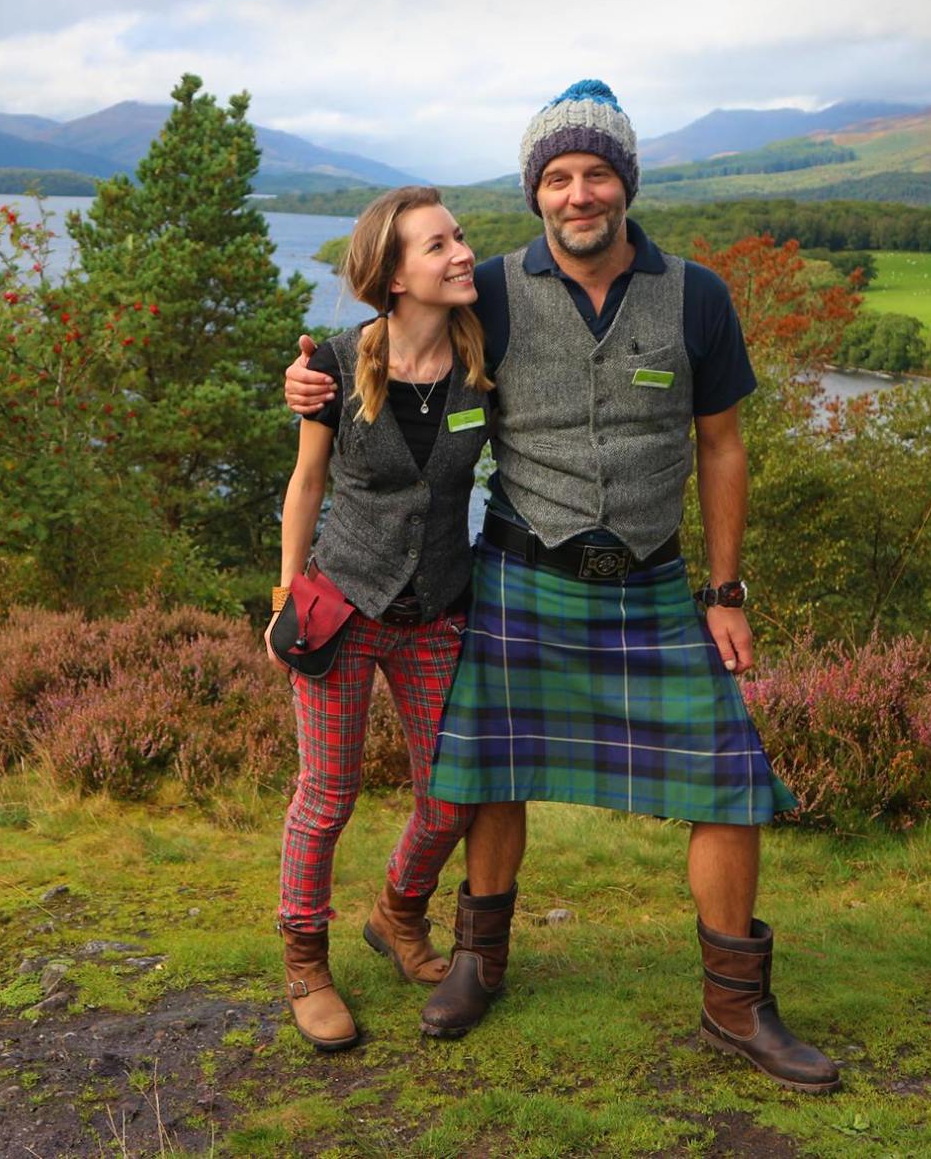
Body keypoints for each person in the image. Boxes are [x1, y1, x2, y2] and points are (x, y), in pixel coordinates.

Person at [283, 81, 839, 1093]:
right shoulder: (488, 290)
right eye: (557, 178)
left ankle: (735, 1003)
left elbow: (722, 448)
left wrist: (725, 590)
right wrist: (311, 378)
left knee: (730, 779)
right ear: (536, 194)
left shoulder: (697, 295)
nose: (577, 194)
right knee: (495, 771)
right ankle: (477, 961)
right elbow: (396, 344)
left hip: (656, 581)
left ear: (624, 182)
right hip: (520, 572)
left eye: (595, 174)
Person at [268, 185, 493, 1052]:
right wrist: (287, 595)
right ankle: (305, 965)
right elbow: (308, 485)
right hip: (343, 611)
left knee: (450, 797)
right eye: (437, 246)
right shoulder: (330, 362)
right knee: (327, 799)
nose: (460, 253)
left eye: (460, 237)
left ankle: (397, 915)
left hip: (438, 611)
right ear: (393, 277)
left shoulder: (483, 361)